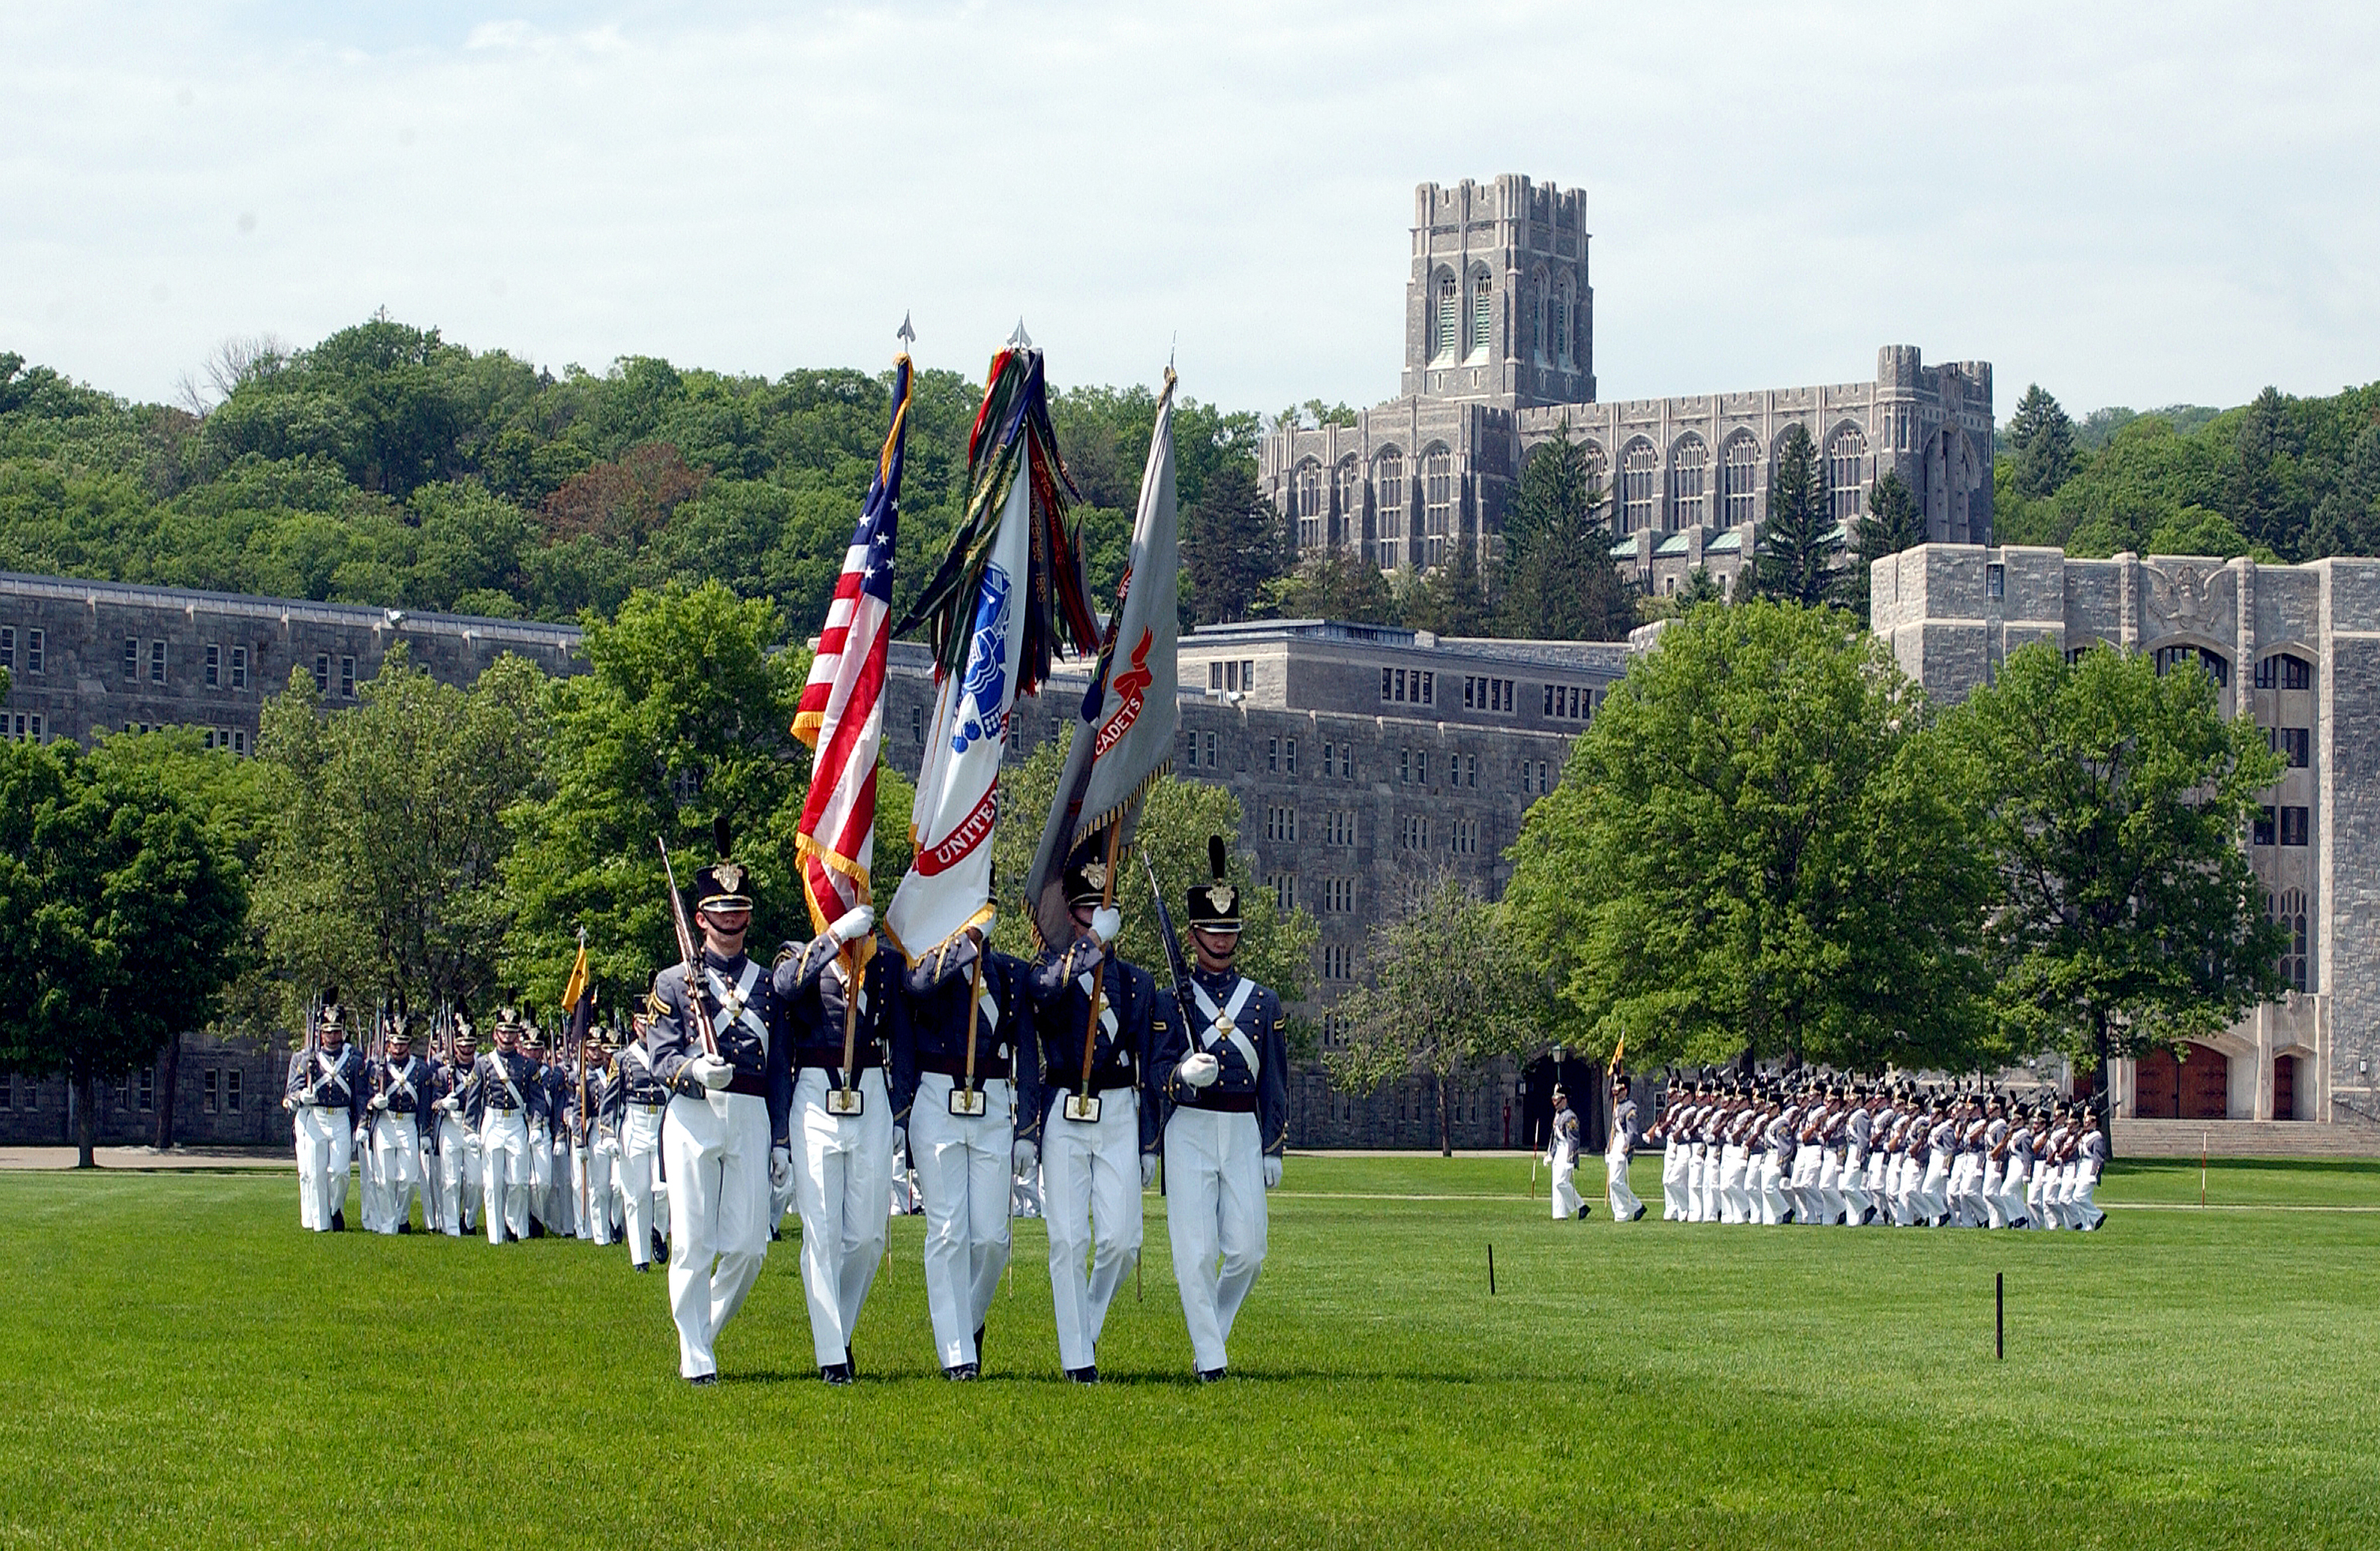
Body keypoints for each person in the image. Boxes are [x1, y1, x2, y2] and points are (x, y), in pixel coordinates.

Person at [647, 845, 799, 1384]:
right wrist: (692, 1069)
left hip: (751, 1112)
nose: (730, 920)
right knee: (692, 1241)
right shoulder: (672, 982)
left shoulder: (767, 984)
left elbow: (780, 1063)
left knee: (747, 1247)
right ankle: (696, 1355)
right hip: (693, 1114)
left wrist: (781, 1137)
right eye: (720, 910)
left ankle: (699, 1334)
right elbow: (660, 1058)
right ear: (700, 917)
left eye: (738, 909)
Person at [1152, 836, 1288, 1382]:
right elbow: (1155, 1073)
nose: (1221, 941)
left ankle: (1214, 1334)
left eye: (1229, 931)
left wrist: (1275, 1145)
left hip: (1242, 1129)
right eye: (1211, 931)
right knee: (1195, 1250)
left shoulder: (1262, 1000)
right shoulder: (1169, 1000)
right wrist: (1181, 1074)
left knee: (1250, 1250)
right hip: (1189, 1127)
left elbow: (1275, 1078)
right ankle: (1211, 1359)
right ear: (1192, 934)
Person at [1023, 843, 1157, 1384]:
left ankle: (1089, 1322)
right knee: (1068, 1238)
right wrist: (1092, 946)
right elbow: (1043, 992)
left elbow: (1148, 1066)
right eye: (1083, 911)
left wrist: (1150, 1142)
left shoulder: (1136, 983)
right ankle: (1077, 1356)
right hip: (1063, 1110)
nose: (1090, 920)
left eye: (1099, 911)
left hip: (1118, 1108)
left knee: (1123, 1240)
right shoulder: (1048, 973)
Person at [893, 921, 1036, 1379]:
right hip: (937, 1098)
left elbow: (1028, 1056)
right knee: (948, 1230)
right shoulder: (927, 967)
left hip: (993, 1101)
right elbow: (914, 989)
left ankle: (968, 1322)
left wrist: (1028, 1129)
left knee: (993, 1239)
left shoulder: (1011, 975)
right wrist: (960, 948)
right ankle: (957, 1355)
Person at [775, 899, 890, 1384]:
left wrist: (900, 1107)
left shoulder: (879, 962)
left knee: (867, 1235)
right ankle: (832, 1356)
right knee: (821, 1230)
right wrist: (835, 938)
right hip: (817, 1094)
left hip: (868, 1091)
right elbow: (786, 986)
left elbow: (898, 1030)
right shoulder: (799, 954)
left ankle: (839, 1328)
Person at [466, 1008, 547, 1245]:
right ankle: (495, 1236)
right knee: (491, 1183)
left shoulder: (527, 1066)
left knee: (519, 1182)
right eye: (504, 1031)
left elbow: (537, 1099)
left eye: (512, 1032)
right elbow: (474, 1098)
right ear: (495, 1033)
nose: (508, 1036)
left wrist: (536, 1126)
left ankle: (513, 1226)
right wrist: (470, 1129)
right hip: (492, 1121)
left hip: (516, 1123)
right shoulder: (483, 1064)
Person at [284, 996, 365, 1232]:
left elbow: (359, 1096)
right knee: (316, 1174)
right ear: (320, 1033)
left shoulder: (352, 1060)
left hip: (340, 1117)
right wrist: (301, 1097)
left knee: (340, 1173)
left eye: (336, 1031)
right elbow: (292, 1089)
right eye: (327, 1032)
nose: (332, 1036)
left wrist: (361, 1123)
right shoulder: (306, 1058)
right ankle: (322, 1225)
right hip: (315, 1117)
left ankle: (334, 1208)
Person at [609, 1003, 673, 1271]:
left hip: (661, 1121)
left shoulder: (667, 1055)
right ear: (636, 1025)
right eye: (645, 1024)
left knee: (664, 1190)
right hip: (634, 1124)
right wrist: (608, 1132)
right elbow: (611, 1099)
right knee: (636, 1195)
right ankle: (640, 1258)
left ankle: (659, 1230)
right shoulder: (623, 1058)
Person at [363, 1019, 430, 1234]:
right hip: (385, 1122)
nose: (398, 1047)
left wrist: (425, 1132)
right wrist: (374, 1103)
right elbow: (364, 1096)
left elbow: (425, 1104)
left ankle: (401, 1218)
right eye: (394, 1042)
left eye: (402, 1043)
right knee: (383, 1178)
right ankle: (388, 1223)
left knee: (409, 1180)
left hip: (408, 1123)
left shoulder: (420, 1069)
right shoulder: (376, 1068)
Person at [429, 1019, 482, 1237]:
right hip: (450, 1125)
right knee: (450, 1181)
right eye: (462, 1046)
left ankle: (469, 1222)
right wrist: (443, 1103)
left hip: (473, 1126)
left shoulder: (482, 1069)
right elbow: (432, 1103)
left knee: (477, 1181)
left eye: (470, 1046)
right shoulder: (443, 1073)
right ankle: (451, 1227)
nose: (466, 1051)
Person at [1605, 1074, 1645, 1222]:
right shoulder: (1618, 1107)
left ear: (1626, 1090)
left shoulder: (1630, 1107)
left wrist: (1627, 1147)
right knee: (1612, 1183)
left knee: (1616, 1181)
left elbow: (1632, 1131)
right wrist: (1608, 1148)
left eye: (1619, 1089)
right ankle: (1620, 1213)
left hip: (1623, 1145)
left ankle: (1637, 1206)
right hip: (1615, 1144)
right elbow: (1613, 1130)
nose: (1616, 1092)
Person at [1545, 1087, 1584, 1221]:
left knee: (1561, 1183)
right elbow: (1555, 1137)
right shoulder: (1558, 1115)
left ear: (1565, 1100)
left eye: (1558, 1100)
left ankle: (1581, 1206)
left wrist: (1572, 1157)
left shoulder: (1570, 1116)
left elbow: (1573, 1139)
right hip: (1559, 1151)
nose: (1556, 1103)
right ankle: (1560, 1213)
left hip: (1567, 1150)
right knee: (1556, 1184)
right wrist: (1551, 1154)